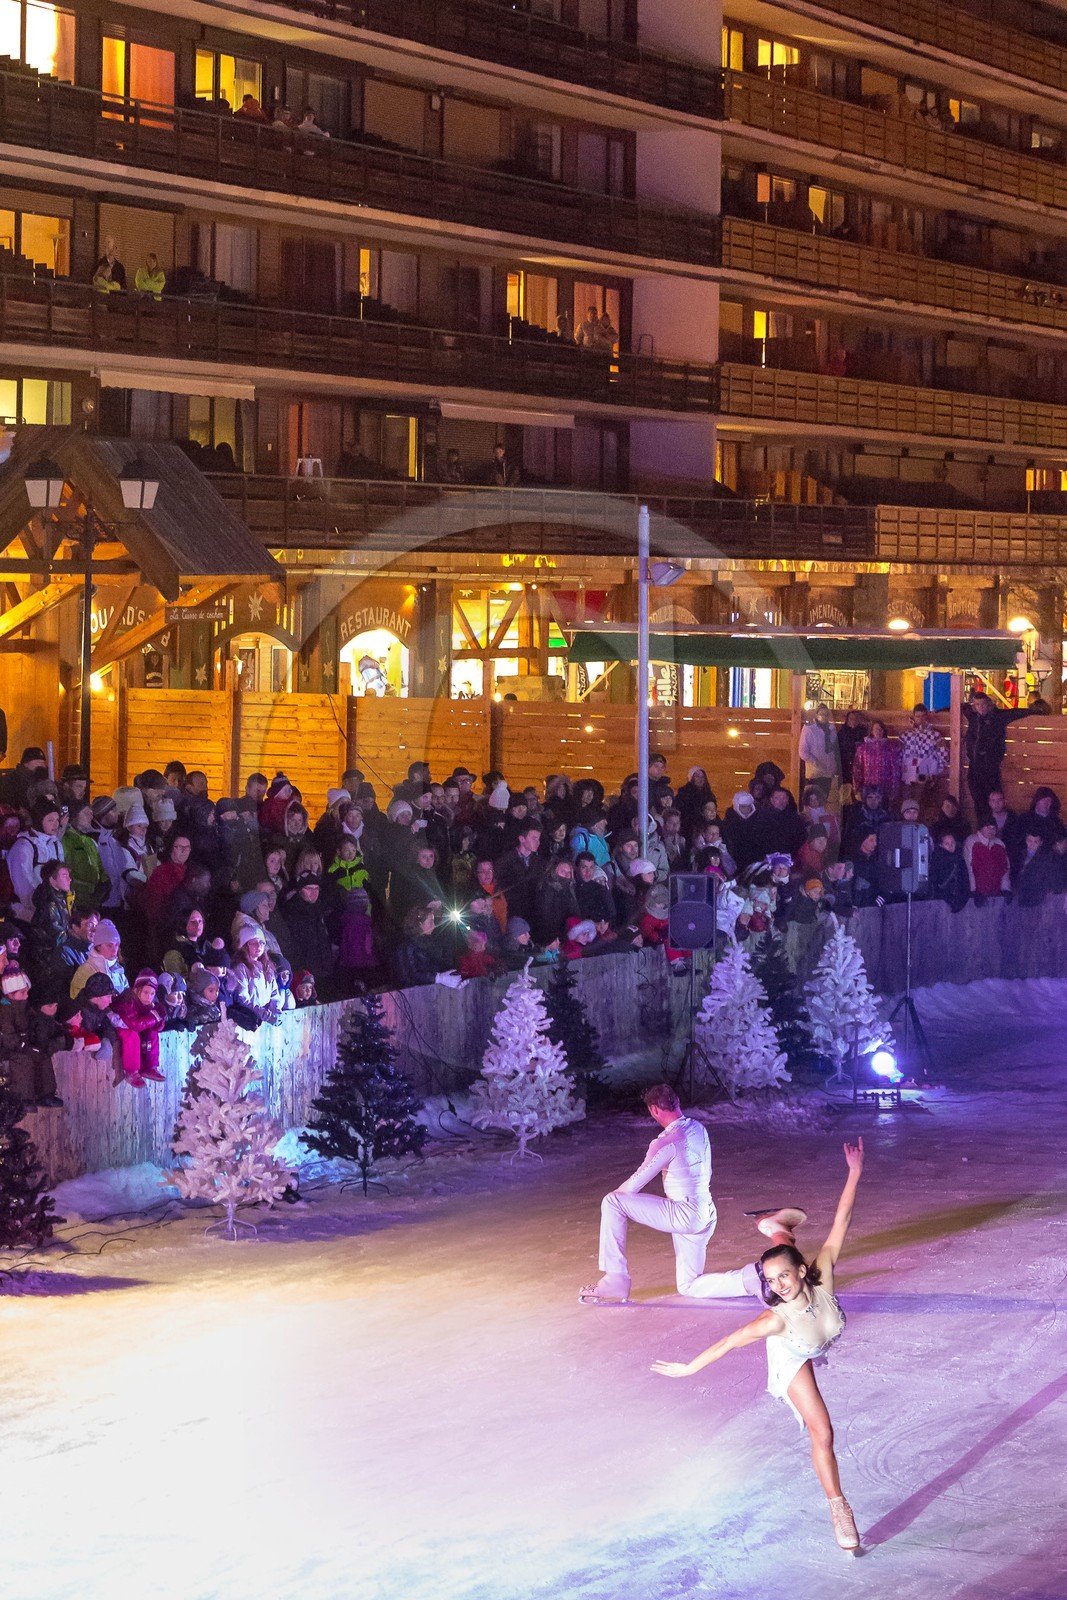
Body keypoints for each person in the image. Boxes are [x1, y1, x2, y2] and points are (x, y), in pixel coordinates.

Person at [651, 1140, 865, 1555]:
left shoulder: (820, 1275)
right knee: (823, 1431)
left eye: (783, 1276)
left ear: (803, 1272)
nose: (777, 1285)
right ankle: (838, 1507)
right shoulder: (774, 1318)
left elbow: (842, 1221)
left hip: (809, 1318)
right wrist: (690, 1368)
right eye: (771, 1281)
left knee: (786, 1251)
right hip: (793, 1351)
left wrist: (854, 1173)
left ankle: (774, 1226)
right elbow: (731, 1341)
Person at [579, 1082, 720, 1304]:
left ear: (654, 1110)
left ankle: (616, 1279)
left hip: (683, 1214)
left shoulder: (665, 1141)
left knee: (612, 1202)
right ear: (677, 1102)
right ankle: (752, 1278)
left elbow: (634, 1184)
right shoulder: (698, 1128)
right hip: (706, 1212)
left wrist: (616, 1197)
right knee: (689, 1285)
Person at [963, 691, 1032, 818]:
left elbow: (1017, 713)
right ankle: (982, 828)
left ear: (989, 704)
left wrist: (1036, 711)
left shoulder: (998, 717)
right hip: (975, 766)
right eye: (977, 705)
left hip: (991, 766)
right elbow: (958, 707)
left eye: (983, 704)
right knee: (978, 800)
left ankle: (995, 828)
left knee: (995, 801)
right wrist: (937, 711)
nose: (981, 707)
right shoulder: (973, 716)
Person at [899, 703, 948, 813]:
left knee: (921, 805)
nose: (920, 719)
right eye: (918, 716)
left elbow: (943, 755)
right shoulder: (906, 736)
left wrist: (934, 772)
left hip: (924, 776)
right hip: (907, 776)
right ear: (914, 717)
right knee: (906, 804)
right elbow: (899, 755)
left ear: (927, 717)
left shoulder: (935, 736)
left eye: (923, 716)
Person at [850, 720, 902, 804]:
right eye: (876, 729)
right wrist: (857, 789)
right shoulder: (863, 749)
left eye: (881, 729)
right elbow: (857, 770)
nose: (879, 731)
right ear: (871, 731)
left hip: (885, 788)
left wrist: (894, 789)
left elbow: (895, 770)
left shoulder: (890, 749)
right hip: (868, 788)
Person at [963, 814, 1012, 901]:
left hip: (996, 891)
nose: (991, 831)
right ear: (981, 828)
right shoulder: (971, 841)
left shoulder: (999, 844)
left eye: (993, 828)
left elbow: (1005, 868)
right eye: (988, 827)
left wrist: (1006, 889)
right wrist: (973, 890)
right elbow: (969, 867)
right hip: (978, 893)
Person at [798, 706, 840, 796]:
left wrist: (834, 766)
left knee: (825, 799)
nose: (824, 717)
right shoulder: (809, 729)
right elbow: (803, 751)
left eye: (826, 714)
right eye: (821, 714)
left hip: (828, 772)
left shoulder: (831, 730)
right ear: (816, 715)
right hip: (815, 772)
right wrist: (816, 762)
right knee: (814, 799)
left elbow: (834, 750)